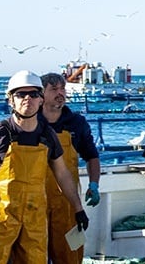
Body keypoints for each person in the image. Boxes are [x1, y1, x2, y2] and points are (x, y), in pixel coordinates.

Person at [0, 70, 88, 264]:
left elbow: (62, 173)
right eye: (20, 94)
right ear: (11, 100)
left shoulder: (47, 135)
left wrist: (78, 208)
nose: (27, 99)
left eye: (33, 94)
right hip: (3, 216)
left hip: (35, 218)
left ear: (40, 100)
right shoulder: (3, 133)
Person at [39, 72, 101, 264]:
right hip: (35, 202)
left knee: (72, 255)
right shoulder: (31, 123)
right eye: (54, 89)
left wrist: (94, 184)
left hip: (69, 205)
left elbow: (92, 157)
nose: (60, 93)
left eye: (63, 89)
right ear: (41, 94)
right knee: (31, 255)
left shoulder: (77, 123)